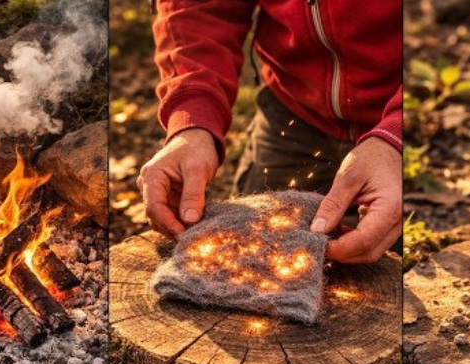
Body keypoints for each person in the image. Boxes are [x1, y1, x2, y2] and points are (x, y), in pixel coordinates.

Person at [137, 0, 402, 263]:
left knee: (399, 266)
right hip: (294, 108)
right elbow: (196, 8)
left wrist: (395, 136)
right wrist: (193, 119)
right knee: (247, 251)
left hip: (401, 109)